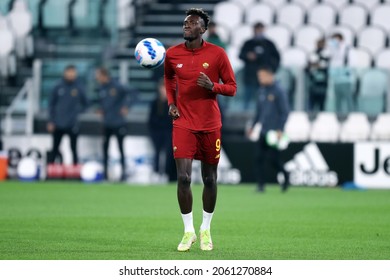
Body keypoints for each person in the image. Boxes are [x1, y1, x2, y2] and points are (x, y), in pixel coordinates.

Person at [164, 8, 236, 251]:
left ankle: (206, 228)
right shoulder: (172, 54)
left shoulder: (218, 54)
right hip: (183, 122)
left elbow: (232, 87)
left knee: (210, 179)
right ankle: (188, 231)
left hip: (209, 124)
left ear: (203, 29)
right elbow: (168, 79)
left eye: (192, 23)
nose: (186, 26)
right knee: (183, 177)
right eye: (185, 22)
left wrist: (213, 86)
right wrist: (171, 103)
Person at [247, 66, 290, 193]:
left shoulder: (279, 91)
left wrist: (280, 129)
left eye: (262, 76)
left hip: (274, 132)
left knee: (274, 160)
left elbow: (285, 112)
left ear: (270, 75)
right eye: (259, 76)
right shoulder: (261, 91)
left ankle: (286, 177)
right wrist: (253, 126)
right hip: (263, 131)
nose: (260, 79)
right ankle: (261, 186)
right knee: (258, 158)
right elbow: (258, 112)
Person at [95, 67, 132, 181]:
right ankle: (105, 174)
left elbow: (132, 94)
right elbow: (104, 103)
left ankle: (123, 173)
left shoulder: (117, 86)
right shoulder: (101, 88)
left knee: (121, 148)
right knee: (105, 148)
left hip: (118, 123)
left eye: (98, 76)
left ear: (104, 75)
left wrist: (126, 106)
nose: (97, 78)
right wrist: (101, 110)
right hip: (107, 123)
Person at [47, 65, 88, 165]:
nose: (71, 75)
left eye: (73, 73)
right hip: (58, 123)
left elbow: (86, 103)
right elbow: (51, 105)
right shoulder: (58, 86)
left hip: (72, 123)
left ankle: (75, 172)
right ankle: (50, 172)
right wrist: (51, 120)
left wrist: (78, 111)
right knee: (55, 148)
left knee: (73, 148)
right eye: (69, 72)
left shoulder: (79, 87)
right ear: (65, 73)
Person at [239, 22, 280, 110]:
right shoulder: (248, 43)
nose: (258, 31)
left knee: (262, 97)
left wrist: (272, 70)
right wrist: (248, 56)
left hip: (263, 76)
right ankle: (245, 113)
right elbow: (240, 55)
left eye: (260, 29)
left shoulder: (269, 44)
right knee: (247, 97)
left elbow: (276, 57)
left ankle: (262, 113)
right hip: (250, 75)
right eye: (257, 29)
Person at [147, 78, 175, 182]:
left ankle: (167, 173)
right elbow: (151, 119)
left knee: (169, 153)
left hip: (169, 132)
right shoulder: (155, 102)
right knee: (157, 153)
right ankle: (157, 172)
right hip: (157, 133)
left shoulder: (172, 103)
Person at [328, 32, 355, 114]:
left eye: (335, 39)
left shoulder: (348, 49)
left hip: (346, 80)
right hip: (336, 80)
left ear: (341, 39)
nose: (334, 42)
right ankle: (338, 116)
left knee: (348, 99)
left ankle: (352, 115)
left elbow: (352, 64)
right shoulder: (333, 50)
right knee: (338, 100)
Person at [306, 38, 330, 112]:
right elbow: (308, 67)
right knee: (312, 104)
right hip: (314, 82)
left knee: (321, 104)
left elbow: (325, 66)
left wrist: (316, 65)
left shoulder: (326, 54)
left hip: (322, 83)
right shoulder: (313, 54)